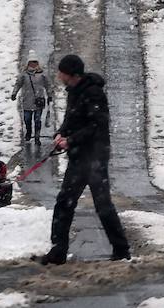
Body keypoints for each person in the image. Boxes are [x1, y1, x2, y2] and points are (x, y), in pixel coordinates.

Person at [39, 54, 131, 265]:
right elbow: (71, 119)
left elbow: (96, 126)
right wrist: (61, 134)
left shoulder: (94, 93)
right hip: (79, 156)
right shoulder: (74, 92)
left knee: (102, 205)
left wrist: (70, 140)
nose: (59, 76)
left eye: (62, 72)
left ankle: (121, 249)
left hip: (95, 157)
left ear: (73, 75)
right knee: (64, 202)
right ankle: (58, 250)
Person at [10, 52, 53, 144]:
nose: (33, 64)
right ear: (28, 63)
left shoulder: (42, 75)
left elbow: (48, 85)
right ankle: (28, 132)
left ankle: (37, 137)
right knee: (27, 119)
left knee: (37, 120)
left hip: (39, 101)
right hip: (27, 101)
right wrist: (14, 93)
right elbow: (18, 84)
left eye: (35, 62)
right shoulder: (24, 75)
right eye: (31, 62)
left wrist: (49, 95)